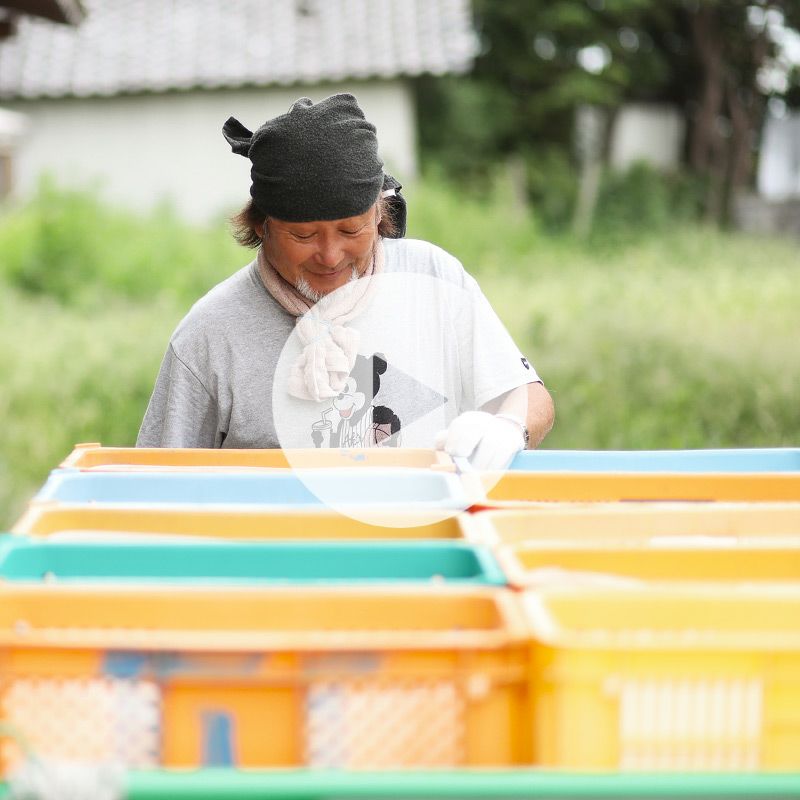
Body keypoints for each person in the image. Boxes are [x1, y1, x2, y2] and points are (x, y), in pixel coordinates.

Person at [137, 93, 554, 469]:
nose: (331, 255)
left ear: (379, 213)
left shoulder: (433, 279)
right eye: (304, 236)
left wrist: (508, 429)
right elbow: (156, 482)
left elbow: (527, 395)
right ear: (262, 225)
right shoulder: (210, 334)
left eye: (351, 230)